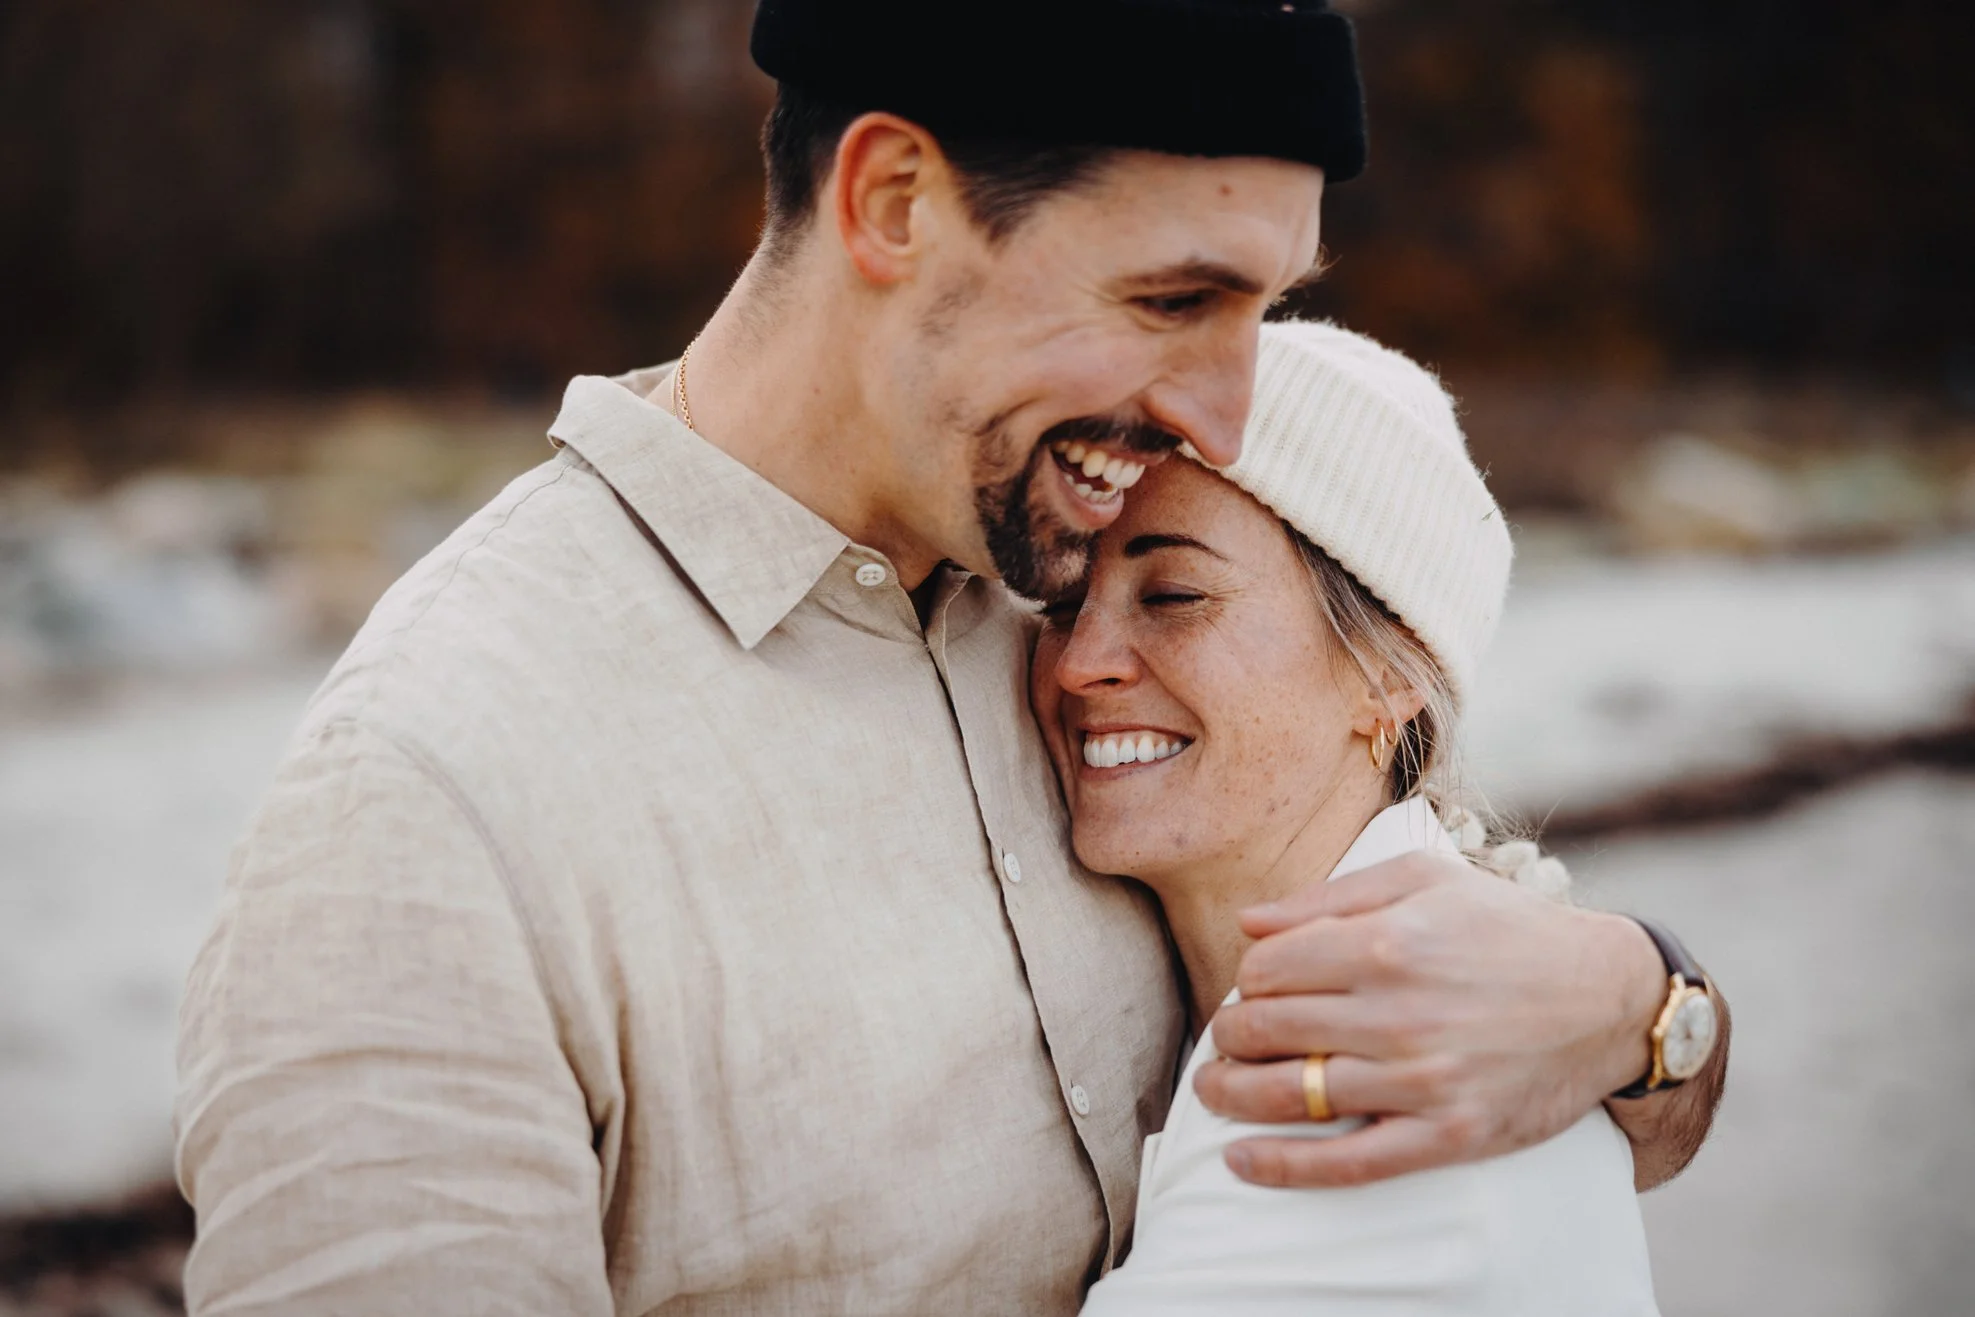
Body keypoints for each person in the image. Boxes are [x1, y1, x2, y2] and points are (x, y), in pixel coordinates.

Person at [174, 2, 1728, 1312]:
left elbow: (1534, 1127)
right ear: (895, 201)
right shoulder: (432, 797)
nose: (1222, 418)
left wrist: (1644, 1005)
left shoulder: (1071, 586)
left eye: (1264, 310)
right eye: (1170, 299)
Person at [1041, 321, 1700, 1314]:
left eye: (1172, 593)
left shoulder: (1350, 1103)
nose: (1075, 661)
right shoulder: (1351, 989)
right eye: (1059, 600)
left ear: (1389, 674)